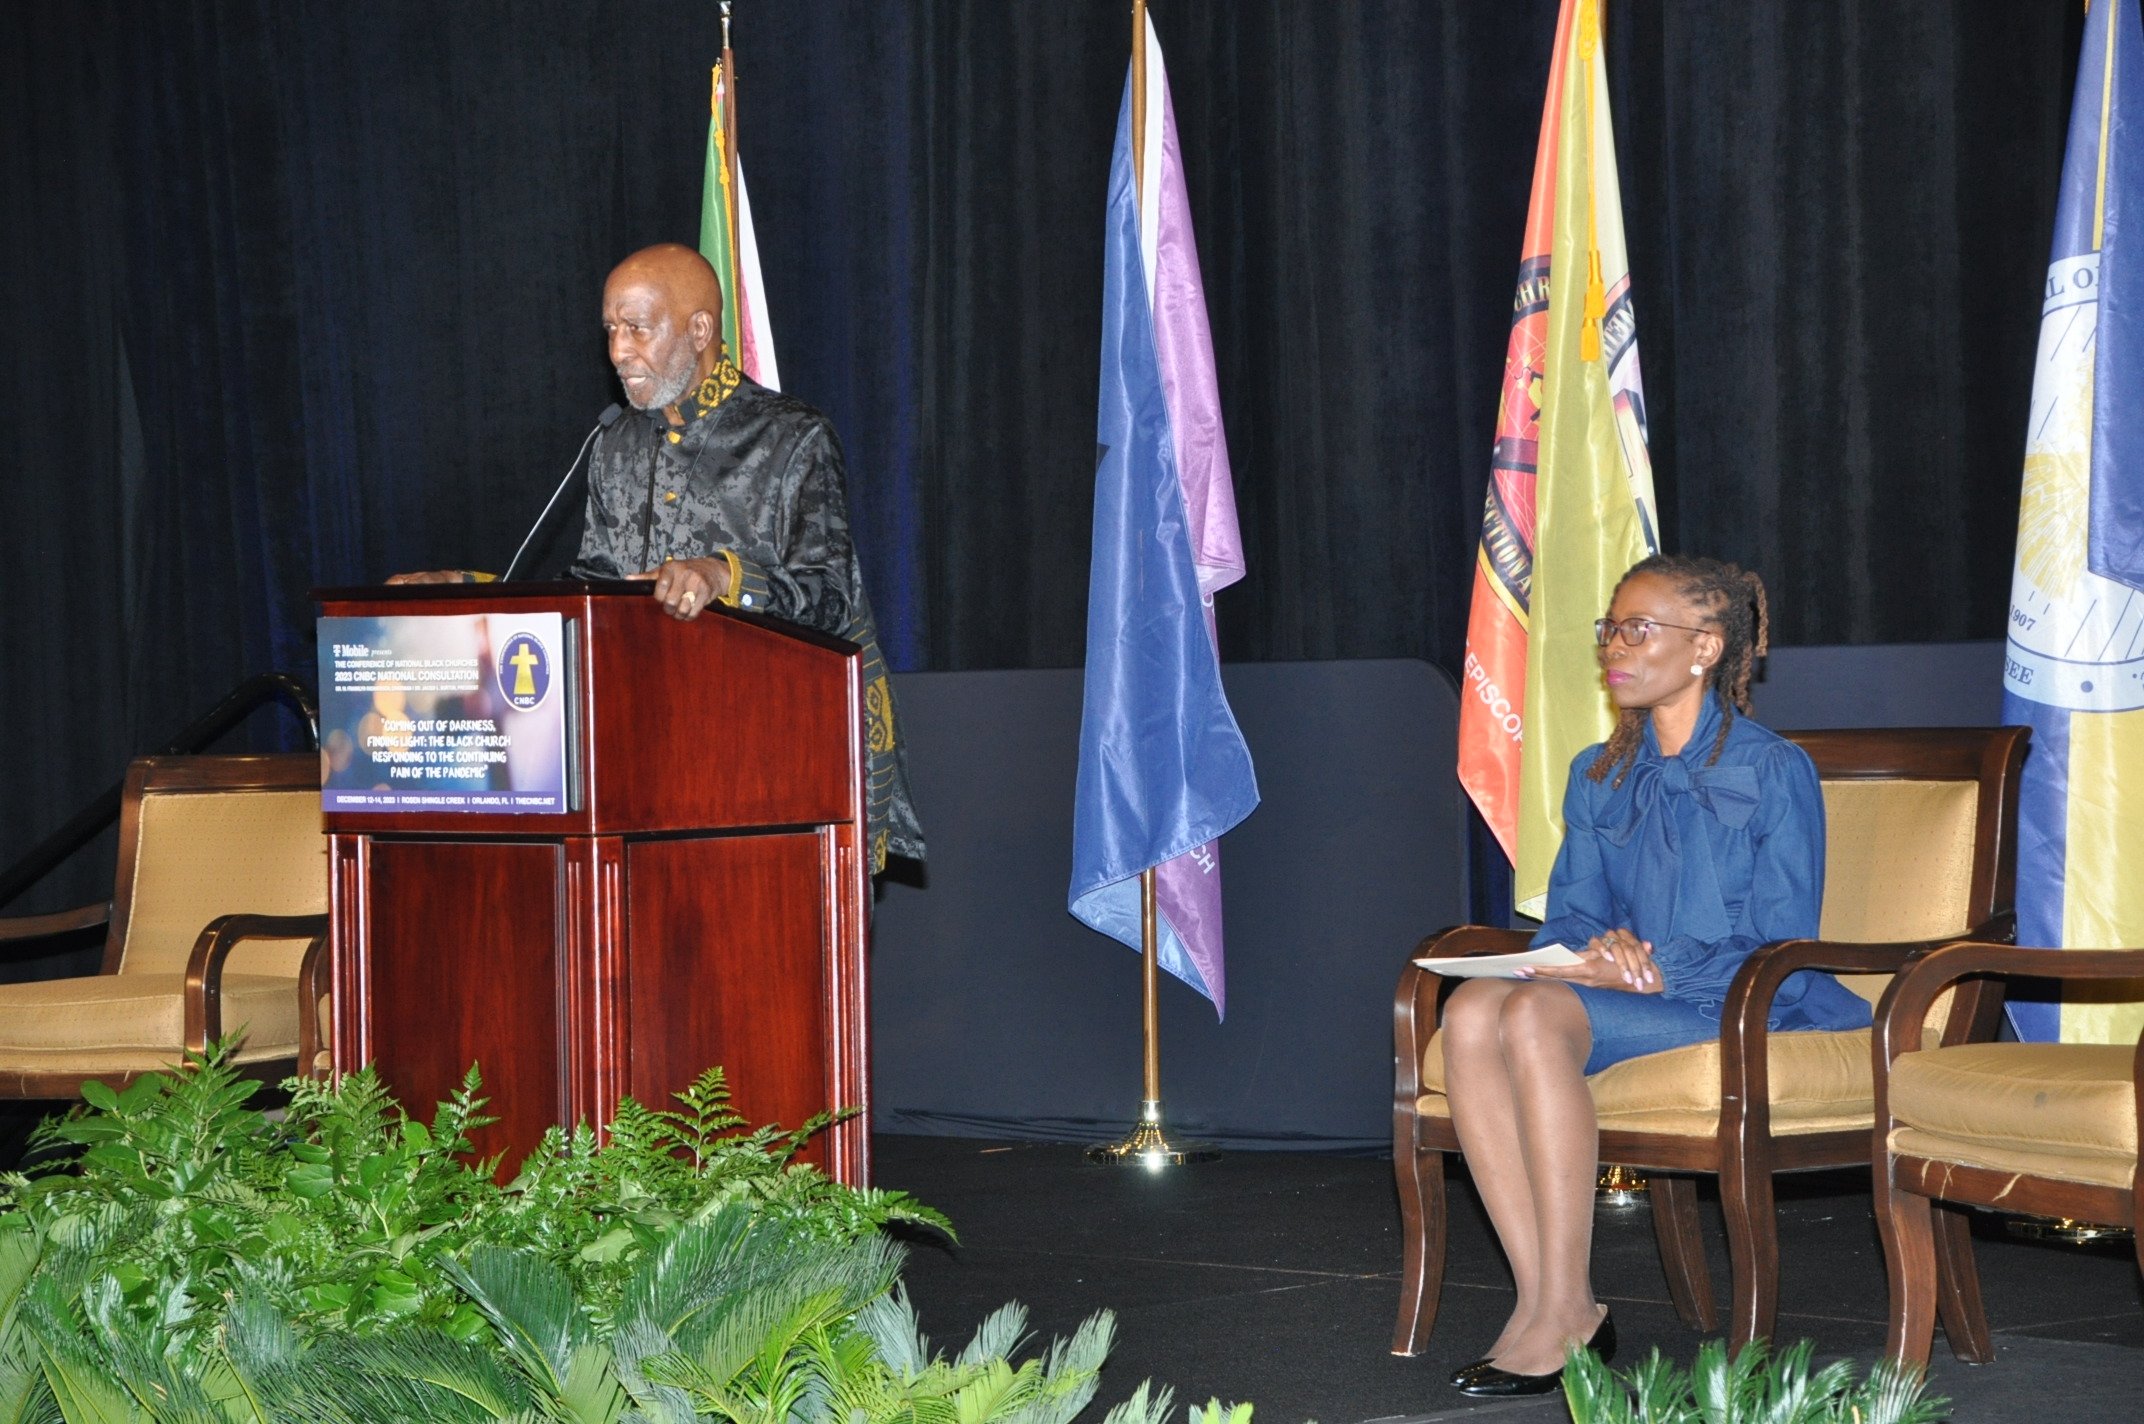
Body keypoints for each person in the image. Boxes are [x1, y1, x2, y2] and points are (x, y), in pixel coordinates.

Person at [1441, 554, 1869, 1398]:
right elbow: (1571, 913)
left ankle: (1566, 1309)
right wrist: (1596, 954)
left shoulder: (1774, 770)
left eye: (1637, 630)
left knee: (1530, 1017)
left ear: (1707, 648)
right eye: (1610, 629)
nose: (1614, 647)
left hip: (1741, 1002)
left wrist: (1654, 966)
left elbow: (1782, 937)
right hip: (1630, 996)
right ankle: (1548, 1302)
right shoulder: (1598, 772)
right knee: (1469, 1009)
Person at [393, 243, 923, 873]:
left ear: (700, 329)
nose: (618, 352)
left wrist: (723, 574)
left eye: (637, 329)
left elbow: (831, 594)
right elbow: (594, 595)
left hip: (781, 771)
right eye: (612, 331)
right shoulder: (613, 443)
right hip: (646, 776)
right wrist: (463, 589)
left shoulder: (792, 437)